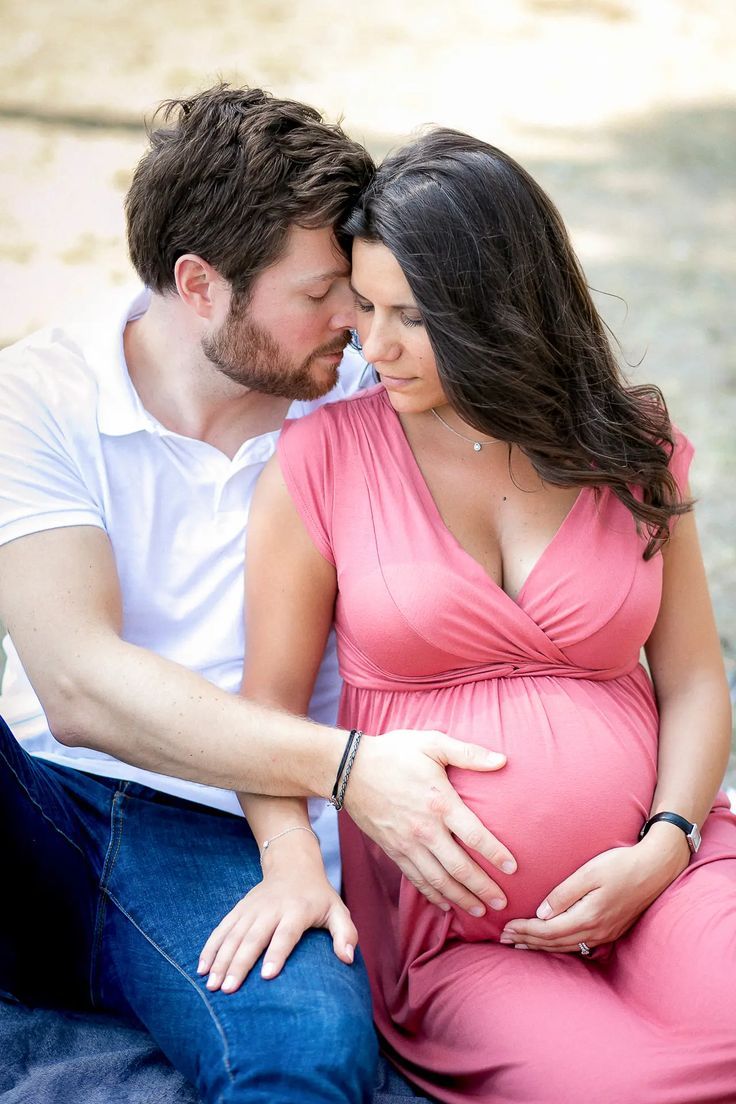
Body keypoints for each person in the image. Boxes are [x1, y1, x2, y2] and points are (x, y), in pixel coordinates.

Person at [0, 91, 518, 1104]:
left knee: (311, 1055)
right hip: (42, 809)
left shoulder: (371, 392)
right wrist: (353, 767)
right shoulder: (40, 396)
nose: (354, 324)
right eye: (323, 292)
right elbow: (77, 685)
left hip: (233, 838)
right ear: (199, 286)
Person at [200, 129, 736, 1102]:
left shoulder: (631, 444)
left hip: (668, 880)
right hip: (468, 937)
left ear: (501, 308)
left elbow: (695, 678)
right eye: (364, 307)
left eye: (412, 315)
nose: (375, 345)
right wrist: (288, 861)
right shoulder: (323, 459)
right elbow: (266, 714)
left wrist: (666, 842)